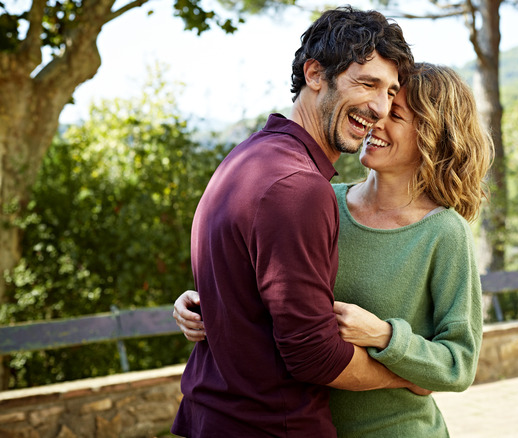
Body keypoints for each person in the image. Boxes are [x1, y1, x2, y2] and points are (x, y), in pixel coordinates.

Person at [175, 62, 494, 437]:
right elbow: (281, 302)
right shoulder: (322, 201)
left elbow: (460, 362)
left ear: (432, 135)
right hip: (304, 426)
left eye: (396, 115)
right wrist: (212, 302)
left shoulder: (443, 232)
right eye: (377, 107)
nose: (375, 120)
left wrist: (385, 336)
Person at [169, 7, 416, 437]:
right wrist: (409, 378)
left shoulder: (246, 159)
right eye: (367, 83)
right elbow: (313, 354)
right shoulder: (297, 187)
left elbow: (241, 293)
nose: (379, 107)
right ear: (316, 73)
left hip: (213, 417)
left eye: (390, 92)